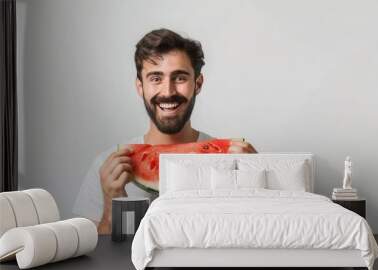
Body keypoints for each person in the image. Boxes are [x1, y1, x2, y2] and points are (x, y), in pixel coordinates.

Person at [73, 28, 257, 234]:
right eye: (155, 78)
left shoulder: (232, 162)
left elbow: (253, 236)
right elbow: (93, 258)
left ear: (198, 84)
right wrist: (111, 204)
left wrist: (255, 186)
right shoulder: (108, 166)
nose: (168, 92)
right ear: (140, 86)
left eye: (179, 78)